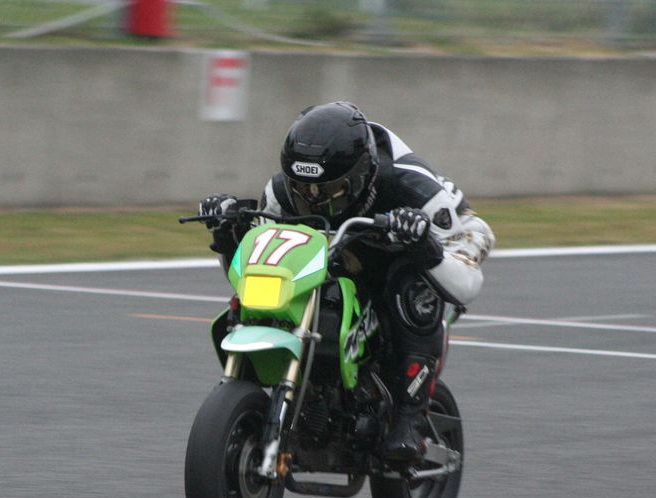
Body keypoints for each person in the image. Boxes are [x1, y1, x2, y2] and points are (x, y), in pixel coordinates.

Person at [199, 101, 494, 468]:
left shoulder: (413, 188)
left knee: (412, 288)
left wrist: (423, 244)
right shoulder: (280, 192)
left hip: (433, 244)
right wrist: (227, 233)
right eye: (302, 188)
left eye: (329, 190)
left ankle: (409, 418)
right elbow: (262, 262)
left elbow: (467, 278)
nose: (313, 199)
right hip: (341, 252)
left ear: (360, 176)